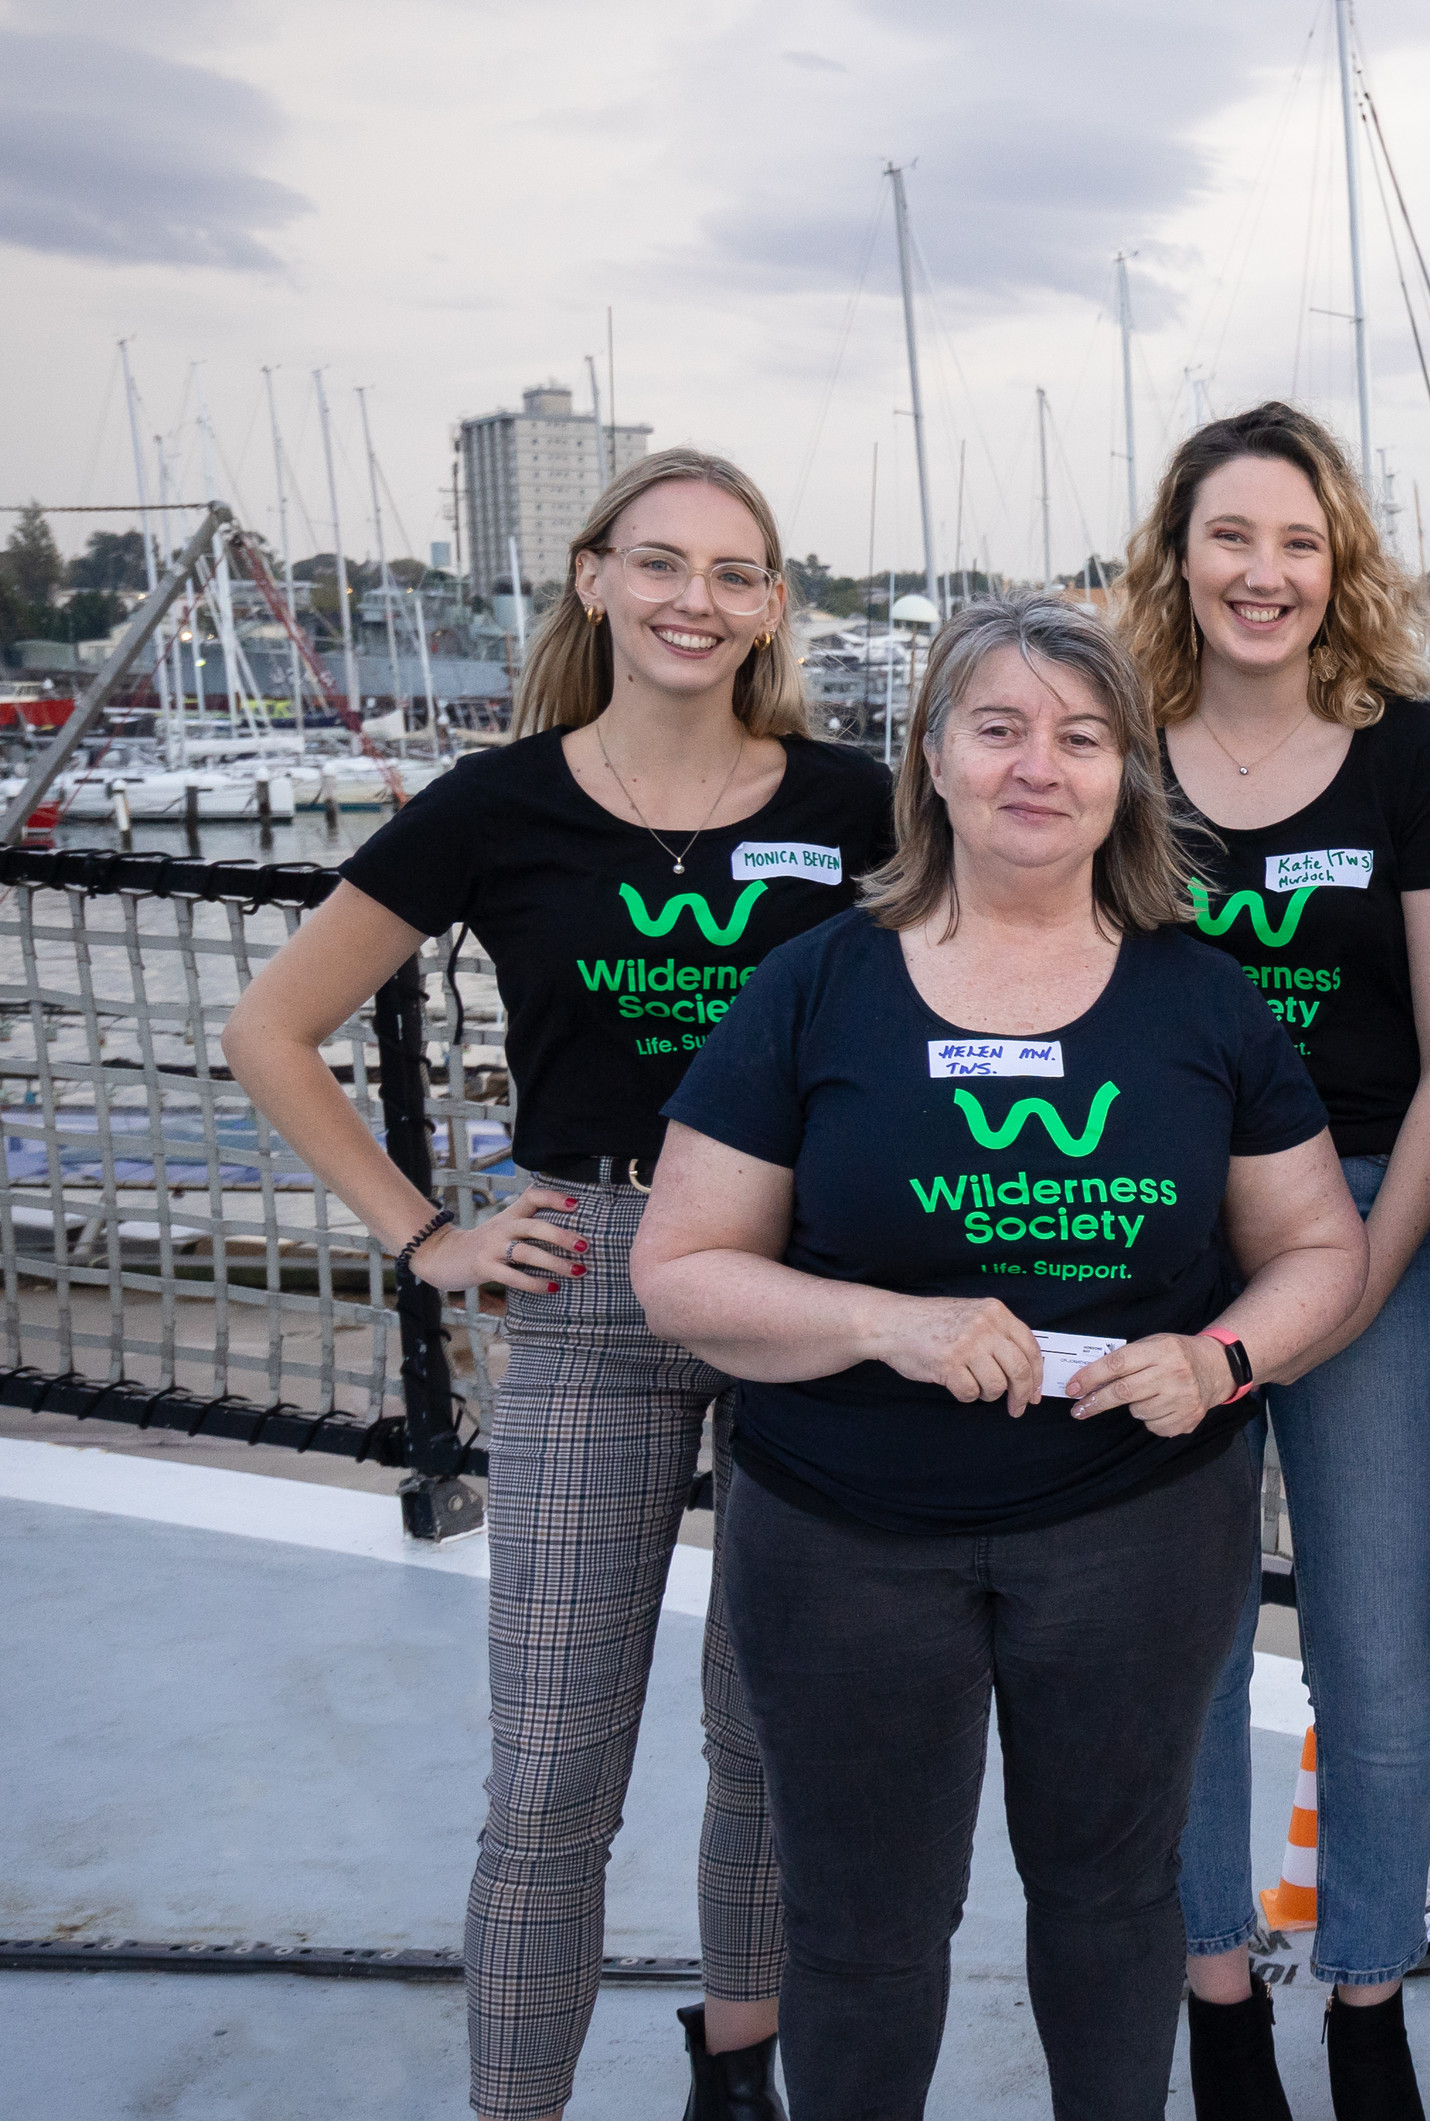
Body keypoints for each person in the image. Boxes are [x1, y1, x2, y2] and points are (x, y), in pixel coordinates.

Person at [632, 590, 1368, 2118]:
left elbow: (1319, 1249)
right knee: (865, 1930)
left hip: (1130, 1526)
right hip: (841, 1534)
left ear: (1126, 778)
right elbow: (680, 1268)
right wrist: (885, 1325)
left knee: (1111, 1905)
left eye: (1084, 736)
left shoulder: (1200, 995)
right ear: (937, 759)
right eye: (1003, 728)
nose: (1042, 765)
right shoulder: (818, 983)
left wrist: (1222, 1360)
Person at [225, 448, 890, 2121]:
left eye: (737, 573)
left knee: (767, 1754)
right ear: (592, 578)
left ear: (774, 607)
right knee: (549, 1777)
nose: (697, 601)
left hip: (797, 1296)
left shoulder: (855, 805)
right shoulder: (499, 803)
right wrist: (430, 1233)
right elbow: (270, 1030)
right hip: (588, 1293)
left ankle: (738, 2081)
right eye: (661, 564)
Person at [1119, 400, 1430, 2121]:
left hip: (1365, 1219)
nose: (1263, 572)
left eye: (1297, 540)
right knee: (1185, 1647)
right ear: (1180, 556)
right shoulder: (1116, 749)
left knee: (1376, 1654)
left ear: (1338, 561)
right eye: (1231, 537)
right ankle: (1221, 1999)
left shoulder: (1415, 757)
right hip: (1146, 1231)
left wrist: (1365, 1267)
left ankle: (1365, 2001)